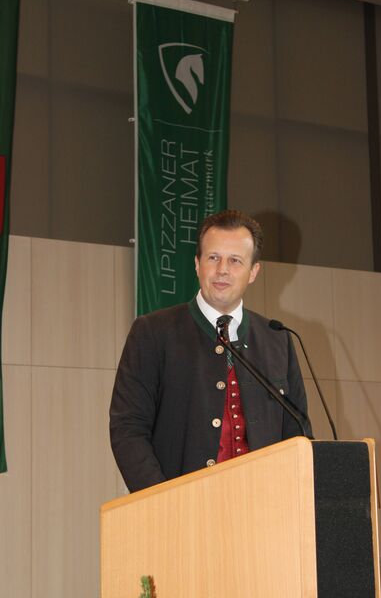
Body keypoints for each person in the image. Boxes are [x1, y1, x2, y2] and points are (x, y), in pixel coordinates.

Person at [110, 210, 311, 492]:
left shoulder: (277, 339)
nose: (222, 270)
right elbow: (128, 428)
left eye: (235, 260)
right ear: (197, 264)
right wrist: (161, 499)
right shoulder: (153, 333)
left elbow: (298, 434)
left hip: (264, 505)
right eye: (213, 257)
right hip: (181, 507)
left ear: (254, 272)